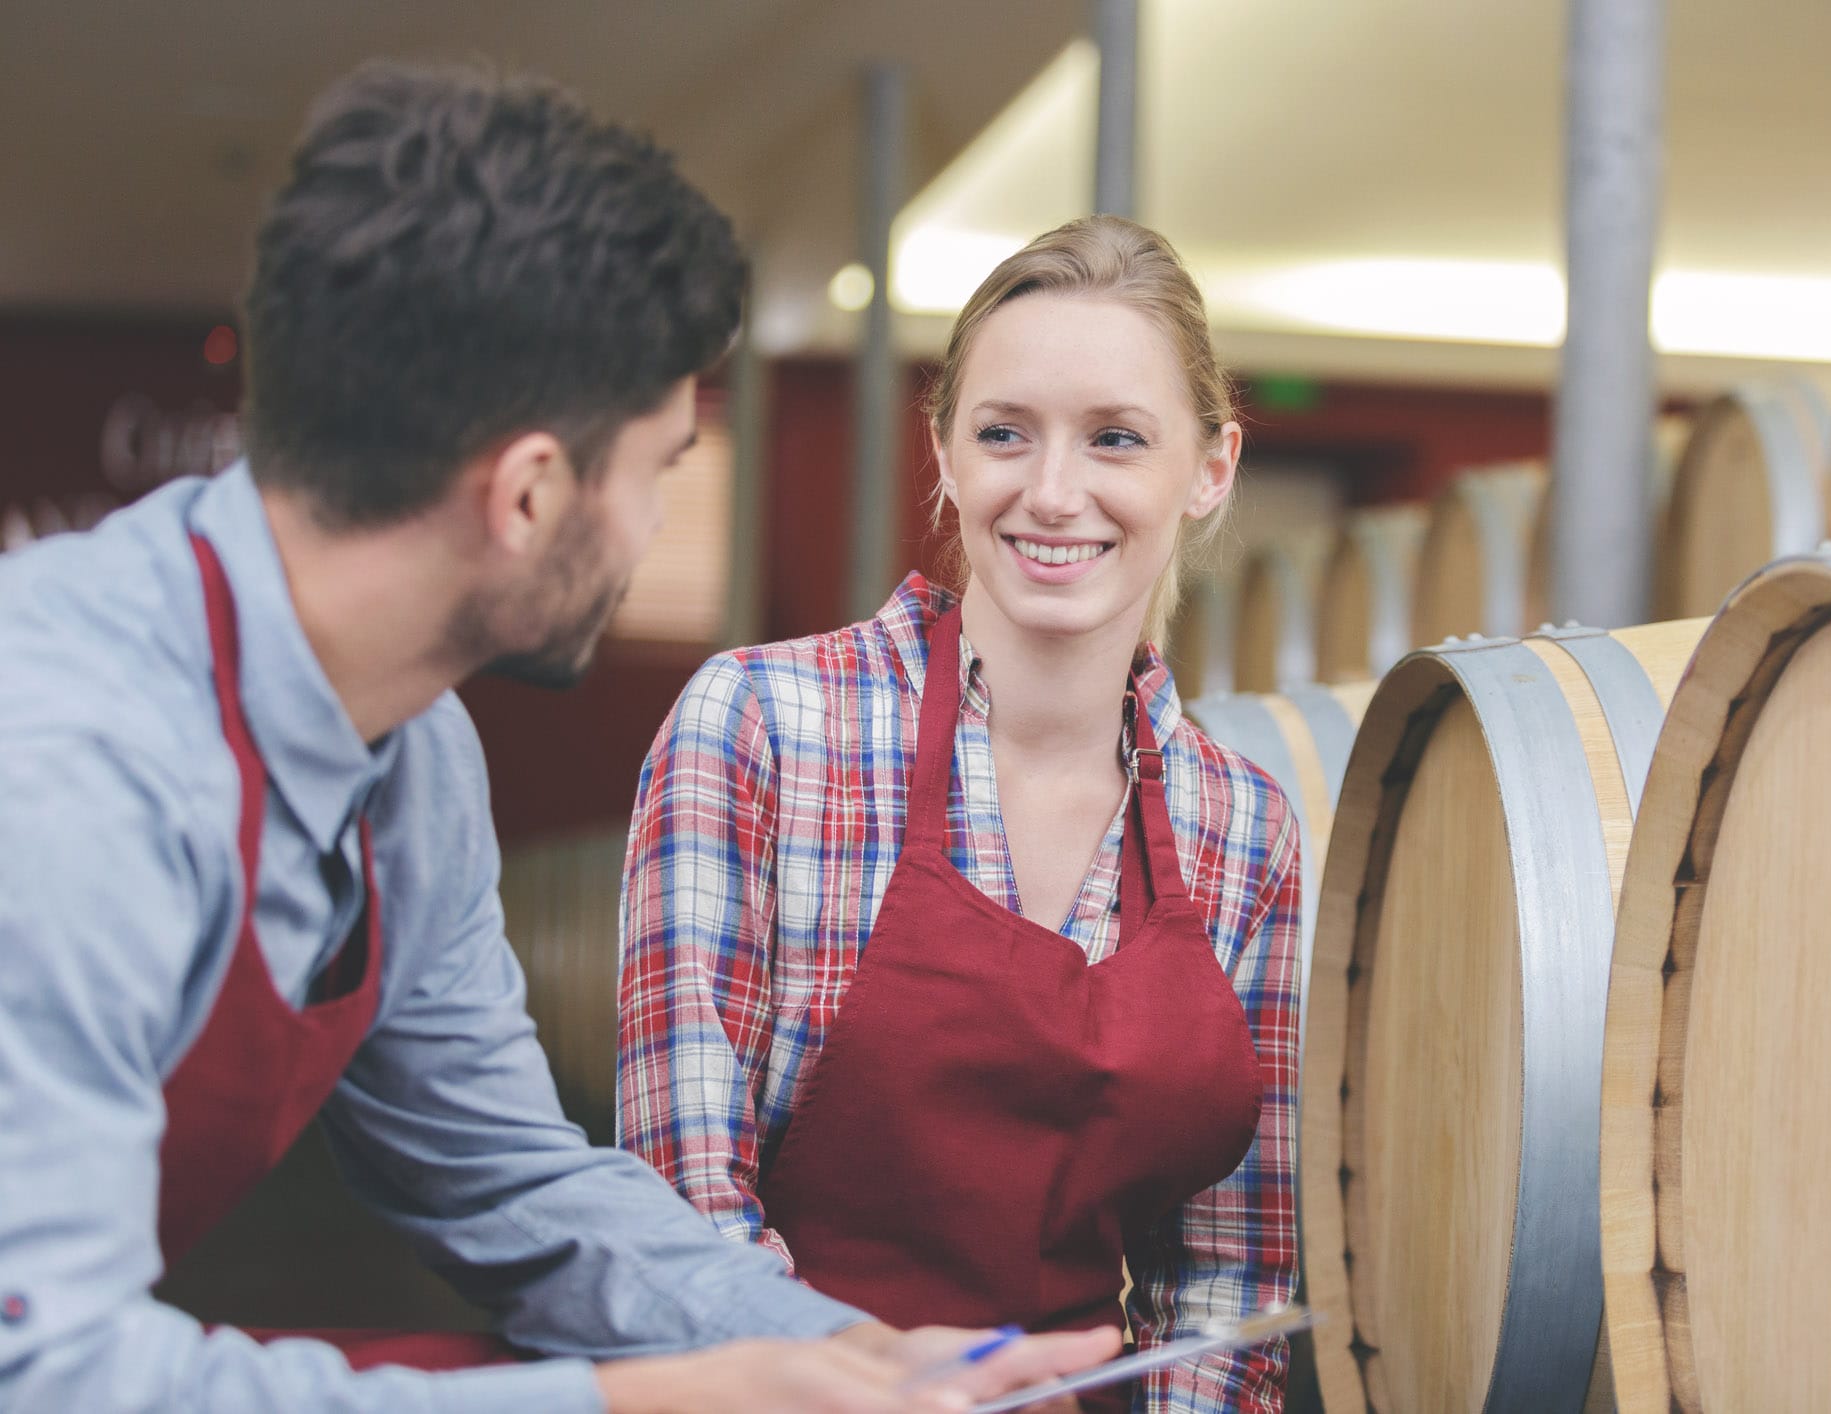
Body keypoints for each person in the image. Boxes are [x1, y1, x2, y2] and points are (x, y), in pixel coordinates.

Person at [0, 61, 1116, 1413]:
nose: (651, 530)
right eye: (659, 469)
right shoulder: (65, 769)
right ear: (530, 493)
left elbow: (506, 1175)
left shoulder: (409, 757)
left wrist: (850, 1356)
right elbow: (50, 1376)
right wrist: (659, 1401)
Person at [618, 215, 1301, 1413]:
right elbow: (687, 1215)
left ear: (1210, 470)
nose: (1052, 492)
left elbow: (1232, 1273)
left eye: (1115, 439)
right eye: (1003, 433)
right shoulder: (763, 728)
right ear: (942, 452)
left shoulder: (1244, 830)